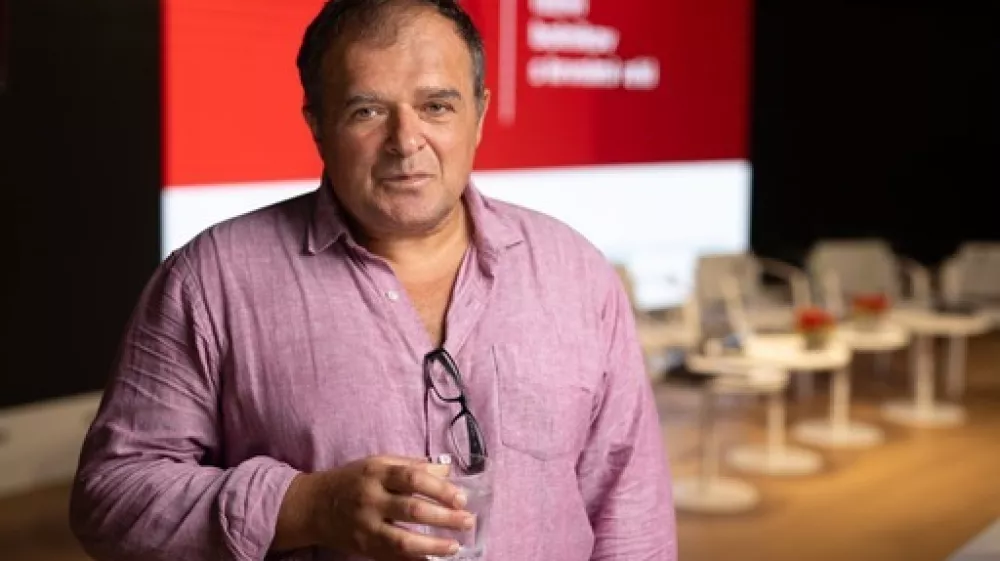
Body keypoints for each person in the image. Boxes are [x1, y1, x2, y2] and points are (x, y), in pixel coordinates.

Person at [69, 0, 677, 559]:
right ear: (317, 123)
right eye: (367, 111)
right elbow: (111, 497)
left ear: (480, 114)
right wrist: (308, 507)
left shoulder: (577, 274)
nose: (406, 141)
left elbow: (630, 514)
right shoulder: (210, 280)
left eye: (436, 106)